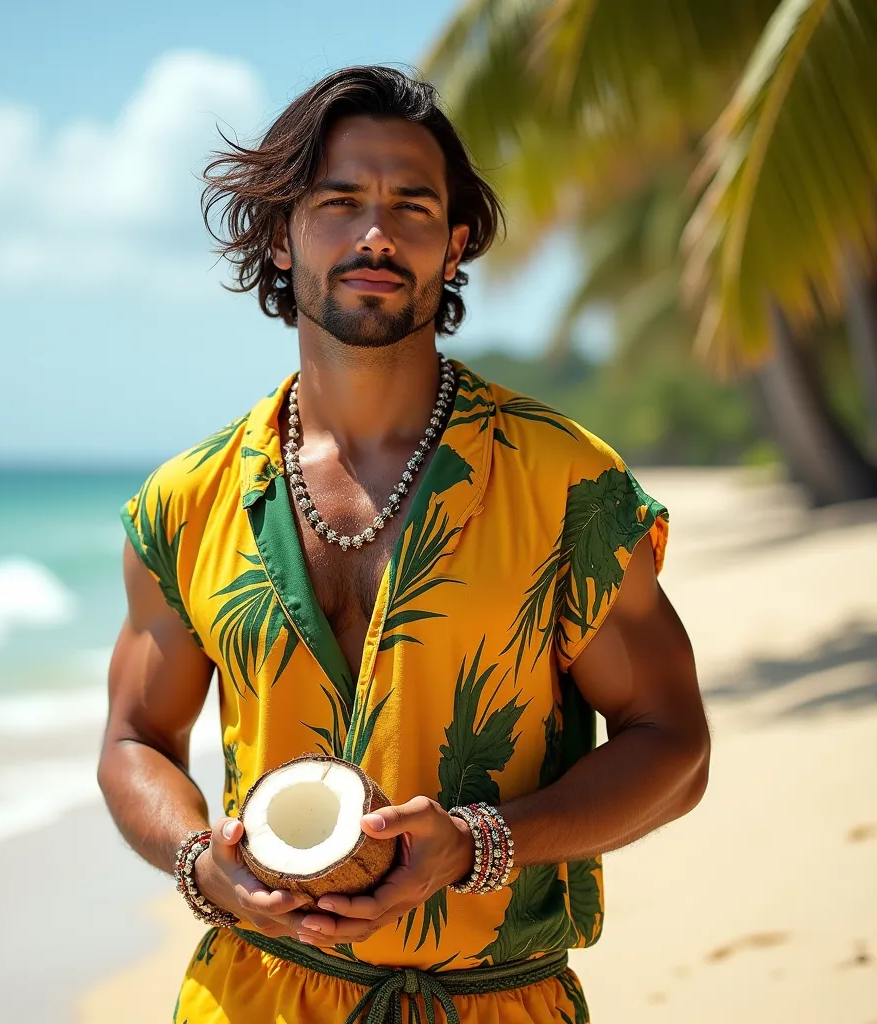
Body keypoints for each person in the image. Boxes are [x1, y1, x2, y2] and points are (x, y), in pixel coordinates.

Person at [98, 65, 710, 1024]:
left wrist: (481, 841)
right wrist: (194, 856)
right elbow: (136, 739)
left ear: (455, 243)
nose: (375, 234)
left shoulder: (562, 485)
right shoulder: (189, 502)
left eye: (412, 206)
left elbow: (676, 747)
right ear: (281, 234)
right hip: (251, 998)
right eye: (340, 201)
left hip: (495, 1002)